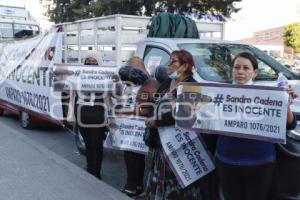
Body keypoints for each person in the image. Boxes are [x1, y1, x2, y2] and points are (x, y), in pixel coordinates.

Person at [215, 52, 297, 200]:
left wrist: (285, 101)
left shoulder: (268, 95)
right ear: (232, 70)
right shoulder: (218, 93)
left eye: (246, 68)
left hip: (260, 163)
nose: (240, 71)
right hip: (227, 160)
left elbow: (290, 125)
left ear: (255, 72)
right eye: (237, 67)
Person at [145, 50, 214, 200]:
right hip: (161, 145)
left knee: (178, 186)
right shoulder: (165, 83)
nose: (168, 65)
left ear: (185, 66)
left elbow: (184, 113)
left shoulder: (192, 86)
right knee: (160, 183)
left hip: (179, 145)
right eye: (169, 61)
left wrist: (157, 121)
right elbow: (154, 103)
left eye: (173, 61)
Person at [117, 57, 154, 198]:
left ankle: (132, 186)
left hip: (138, 126)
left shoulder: (148, 85)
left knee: (135, 156)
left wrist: (129, 112)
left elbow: (146, 108)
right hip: (127, 126)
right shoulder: (127, 86)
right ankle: (136, 185)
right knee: (131, 156)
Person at [75, 51, 107, 180]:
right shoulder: (79, 75)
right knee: (88, 143)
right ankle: (89, 168)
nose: (91, 63)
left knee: (96, 143)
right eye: (88, 60)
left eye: (94, 61)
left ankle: (96, 172)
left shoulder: (105, 76)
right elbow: (70, 90)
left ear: (99, 62)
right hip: (82, 112)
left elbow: (109, 93)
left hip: (97, 112)